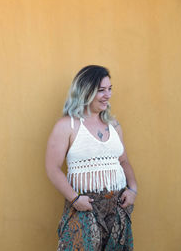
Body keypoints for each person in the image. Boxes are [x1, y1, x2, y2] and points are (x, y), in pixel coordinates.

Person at [45, 65, 137, 250]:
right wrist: (74, 199)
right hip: (84, 207)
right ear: (85, 91)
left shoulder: (114, 125)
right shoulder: (67, 125)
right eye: (101, 90)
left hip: (117, 208)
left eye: (109, 89)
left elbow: (123, 161)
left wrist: (133, 189)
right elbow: (52, 168)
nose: (107, 95)